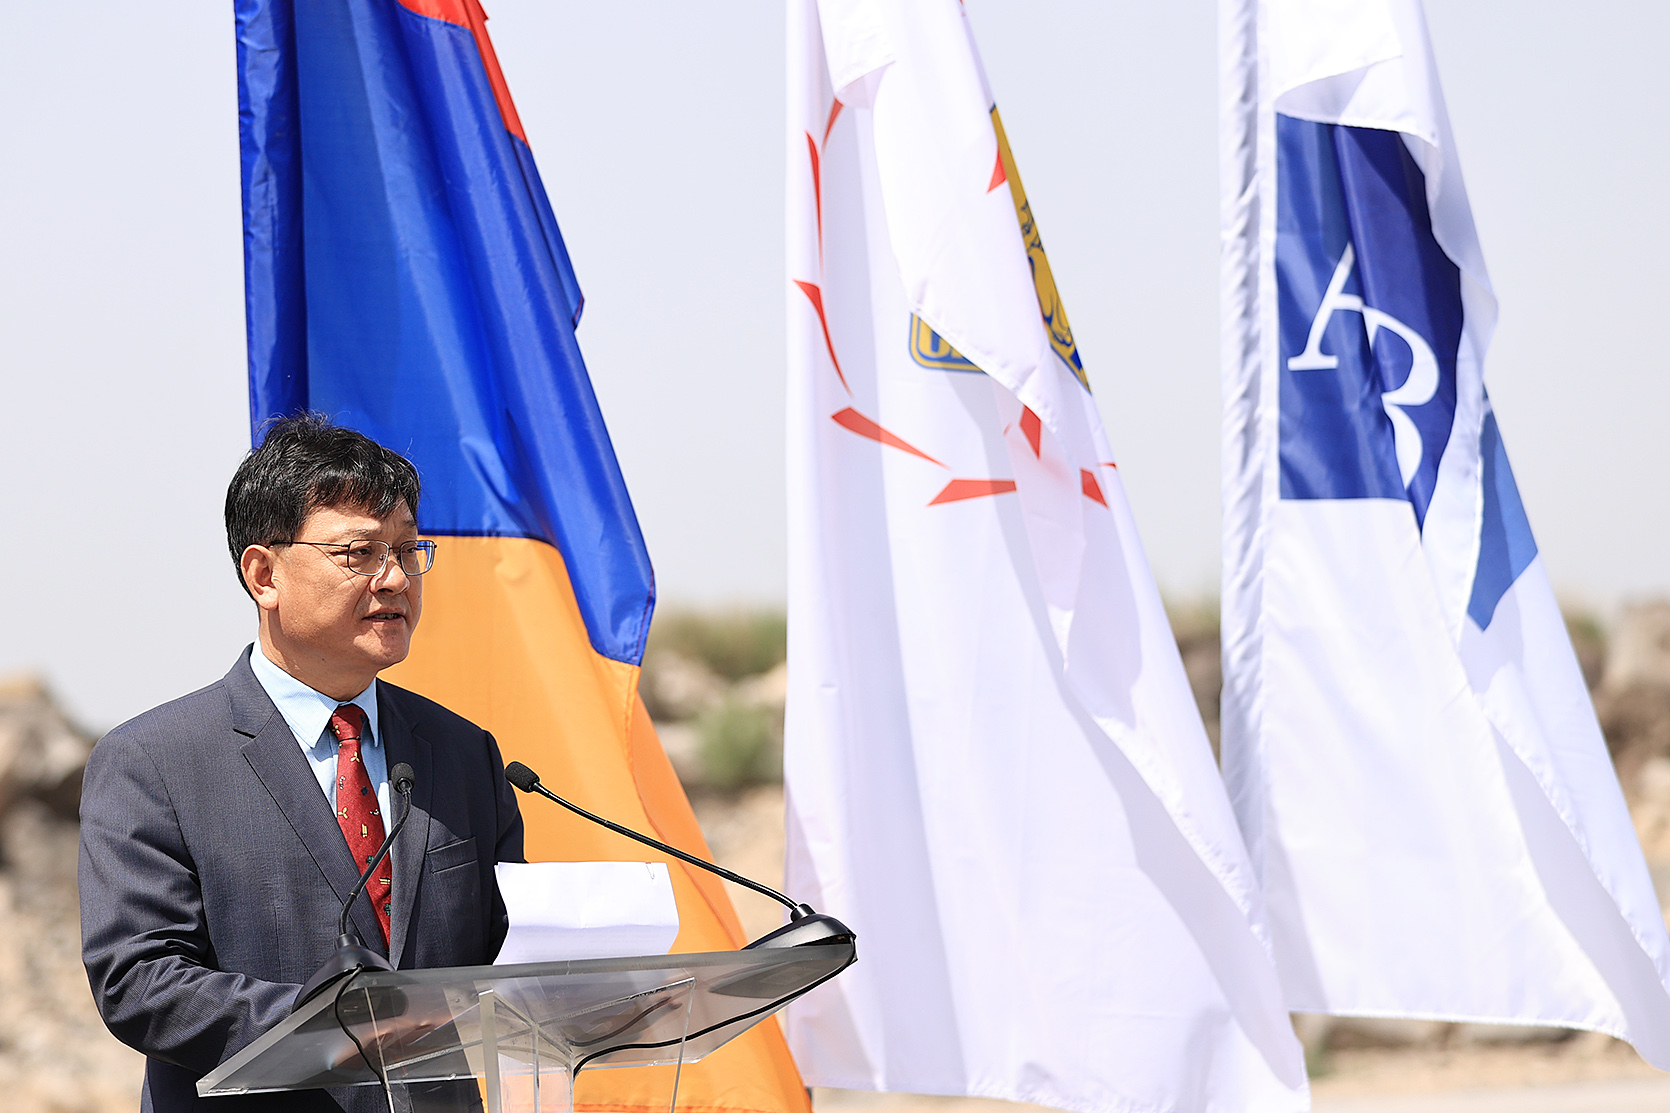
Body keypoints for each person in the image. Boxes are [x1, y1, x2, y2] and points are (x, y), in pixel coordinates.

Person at [79, 414, 525, 1111]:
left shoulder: (465, 752)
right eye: (359, 552)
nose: (395, 578)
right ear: (264, 575)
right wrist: (330, 1024)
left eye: (408, 550)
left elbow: (509, 959)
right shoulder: (153, 761)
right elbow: (140, 981)